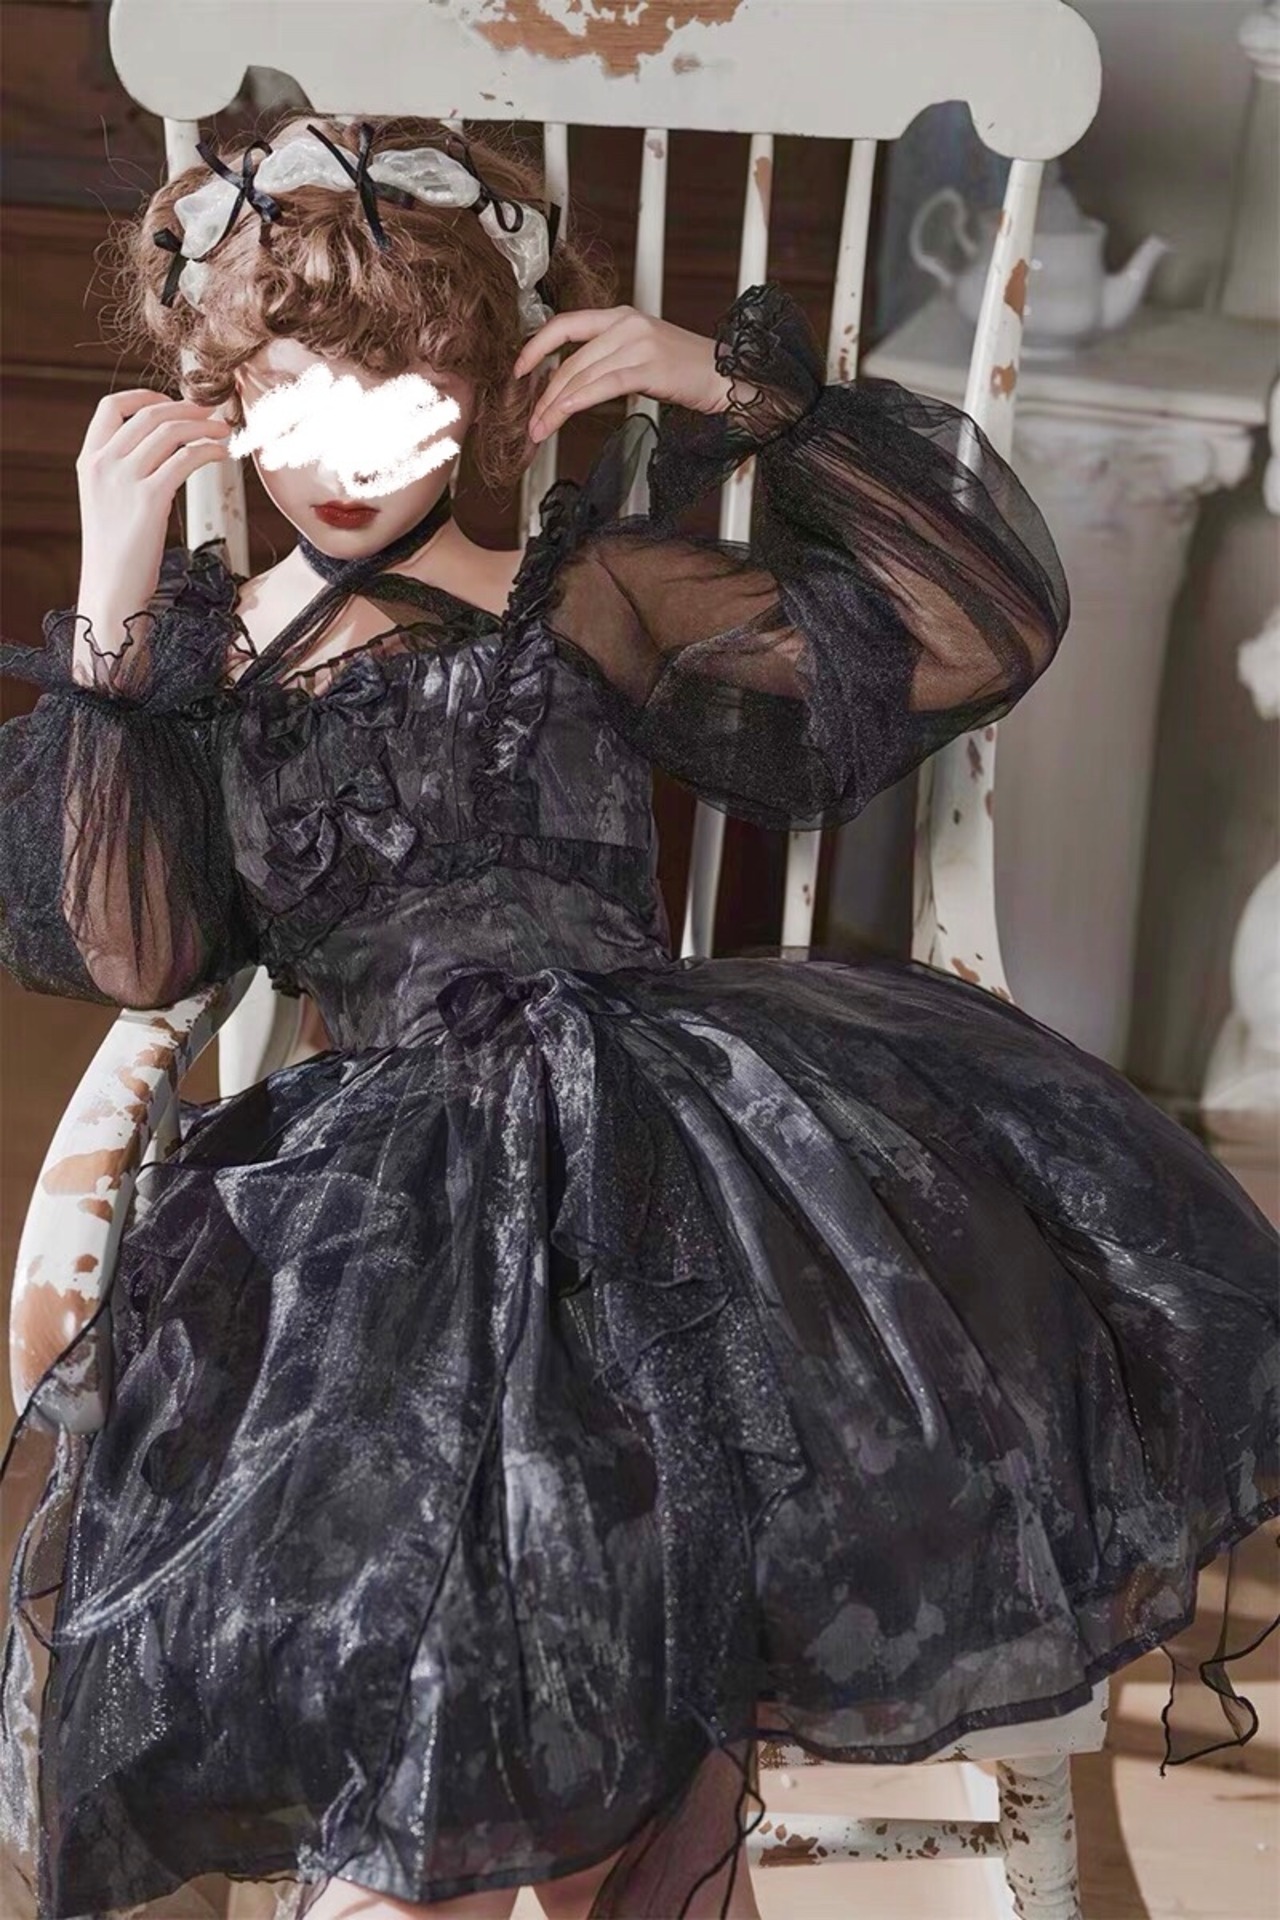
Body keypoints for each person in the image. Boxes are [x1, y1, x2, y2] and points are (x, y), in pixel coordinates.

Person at [0, 112, 1275, 1920]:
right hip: (380, 1199)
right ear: (223, 397)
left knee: (664, 1504)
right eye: (290, 384)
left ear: (484, 391)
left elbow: (970, 630)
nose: (343, 443)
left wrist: (741, 395)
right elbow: (136, 953)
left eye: (399, 381)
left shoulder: (587, 593)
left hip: (664, 1139)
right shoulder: (200, 669)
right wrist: (116, 605)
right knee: (435, 1576)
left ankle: (650, 1851)